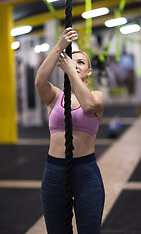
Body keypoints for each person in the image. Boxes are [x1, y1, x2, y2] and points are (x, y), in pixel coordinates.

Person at [35, 27, 105, 234]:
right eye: (71, 61)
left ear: (89, 71)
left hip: (86, 173)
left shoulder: (98, 96)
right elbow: (39, 82)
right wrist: (59, 46)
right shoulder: (55, 96)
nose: (75, 65)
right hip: (54, 172)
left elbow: (89, 106)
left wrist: (70, 71)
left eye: (81, 62)